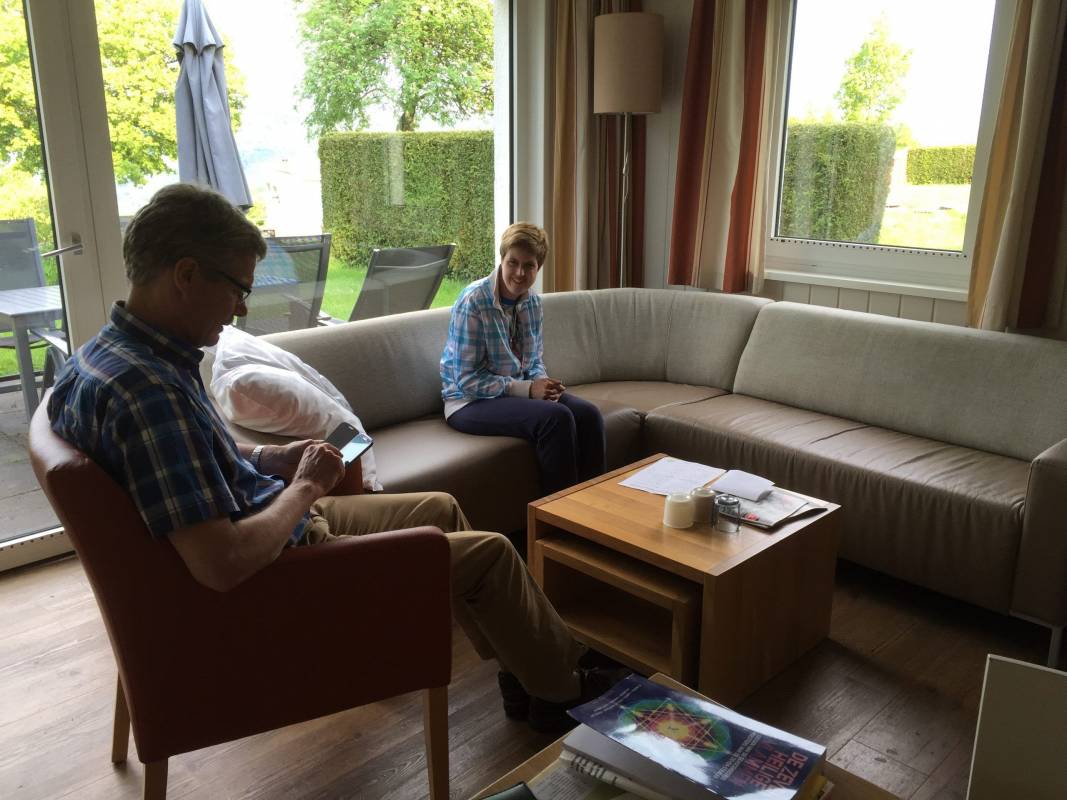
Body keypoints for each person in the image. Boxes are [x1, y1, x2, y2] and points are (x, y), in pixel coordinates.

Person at [46, 184, 612, 732]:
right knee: (493, 554)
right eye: (238, 288)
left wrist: (270, 454)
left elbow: (186, 458)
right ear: (187, 275)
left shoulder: (109, 359)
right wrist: (307, 487)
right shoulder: (151, 393)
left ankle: (529, 669)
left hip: (271, 519)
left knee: (442, 506)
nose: (242, 308)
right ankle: (559, 687)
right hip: (279, 573)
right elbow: (223, 563)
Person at [440, 223, 606, 496]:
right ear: (502, 259)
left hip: (512, 394)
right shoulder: (474, 301)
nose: (519, 273)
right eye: (512, 262)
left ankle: (591, 507)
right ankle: (557, 516)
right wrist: (528, 389)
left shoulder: (532, 303)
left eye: (529, 266)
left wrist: (543, 383)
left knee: (589, 415)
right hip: (467, 402)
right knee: (556, 419)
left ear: (538, 268)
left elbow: (533, 360)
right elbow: (466, 380)